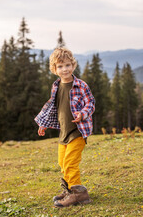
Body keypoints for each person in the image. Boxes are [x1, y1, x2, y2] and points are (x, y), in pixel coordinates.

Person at [34, 48, 95, 207]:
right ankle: (69, 190)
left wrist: (82, 113)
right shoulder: (56, 86)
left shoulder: (81, 85)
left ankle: (80, 195)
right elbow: (51, 106)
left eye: (68, 65)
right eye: (60, 66)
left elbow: (91, 103)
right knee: (62, 163)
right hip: (64, 132)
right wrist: (43, 123)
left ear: (73, 65)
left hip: (78, 132)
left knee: (70, 163)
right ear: (54, 69)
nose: (65, 69)